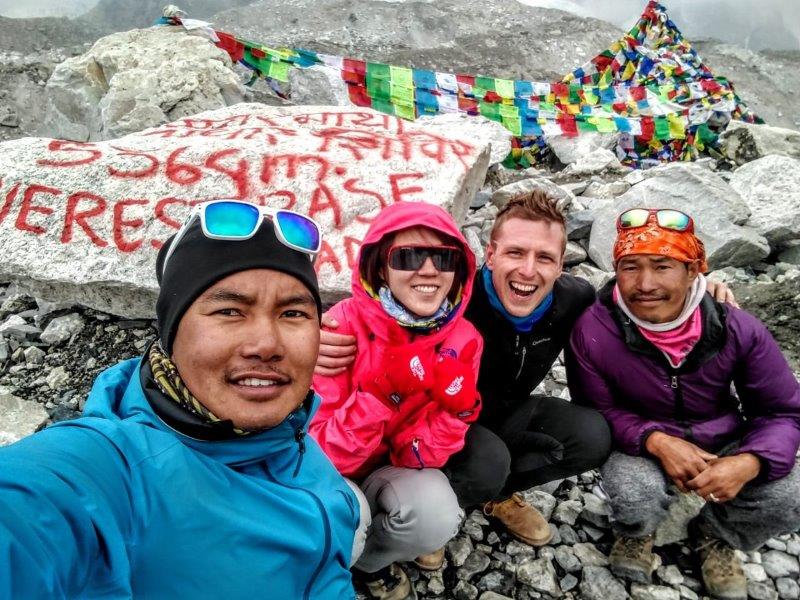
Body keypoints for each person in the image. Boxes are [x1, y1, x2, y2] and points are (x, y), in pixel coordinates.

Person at [317, 191, 738, 548]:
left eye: (545, 258)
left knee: (592, 436)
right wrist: (314, 337)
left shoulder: (575, 299)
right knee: (487, 463)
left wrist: (699, 292)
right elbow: (385, 317)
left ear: (561, 265)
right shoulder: (453, 303)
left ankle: (494, 498)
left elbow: (635, 308)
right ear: (490, 254)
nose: (528, 270)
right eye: (515, 252)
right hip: (436, 420)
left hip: (506, 409)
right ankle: (437, 507)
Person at [0, 200, 362, 599]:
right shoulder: (110, 469)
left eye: (293, 313)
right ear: (171, 334)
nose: (267, 344)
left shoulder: (288, 432)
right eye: (229, 311)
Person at [567, 207, 800, 600]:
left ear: (694, 271)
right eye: (629, 267)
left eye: (662, 266)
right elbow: (596, 411)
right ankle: (637, 531)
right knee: (632, 489)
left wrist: (751, 460)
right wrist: (656, 440)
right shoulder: (594, 329)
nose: (644, 284)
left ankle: (717, 534)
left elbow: (782, 411)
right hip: (641, 441)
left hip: (722, 436)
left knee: (789, 493)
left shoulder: (736, 327)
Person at [309, 201, 482, 600]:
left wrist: (459, 414)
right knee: (341, 519)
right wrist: (380, 396)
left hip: (392, 467)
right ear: (380, 267)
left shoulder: (465, 339)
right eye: (407, 257)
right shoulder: (341, 326)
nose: (428, 270)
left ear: (459, 271)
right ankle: (331, 563)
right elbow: (323, 457)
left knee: (436, 516)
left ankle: (370, 563)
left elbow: (419, 457)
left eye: (443, 258)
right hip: (334, 473)